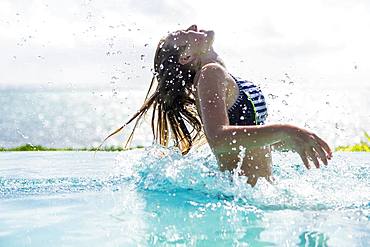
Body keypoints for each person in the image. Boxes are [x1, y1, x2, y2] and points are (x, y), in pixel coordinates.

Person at [103, 24, 332, 187]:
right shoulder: (209, 74)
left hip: (251, 195)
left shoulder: (213, 74)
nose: (192, 26)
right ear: (186, 57)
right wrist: (287, 129)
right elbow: (219, 137)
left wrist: (288, 142)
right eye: (184, 34)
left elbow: (245, 138)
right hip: (243, 200)